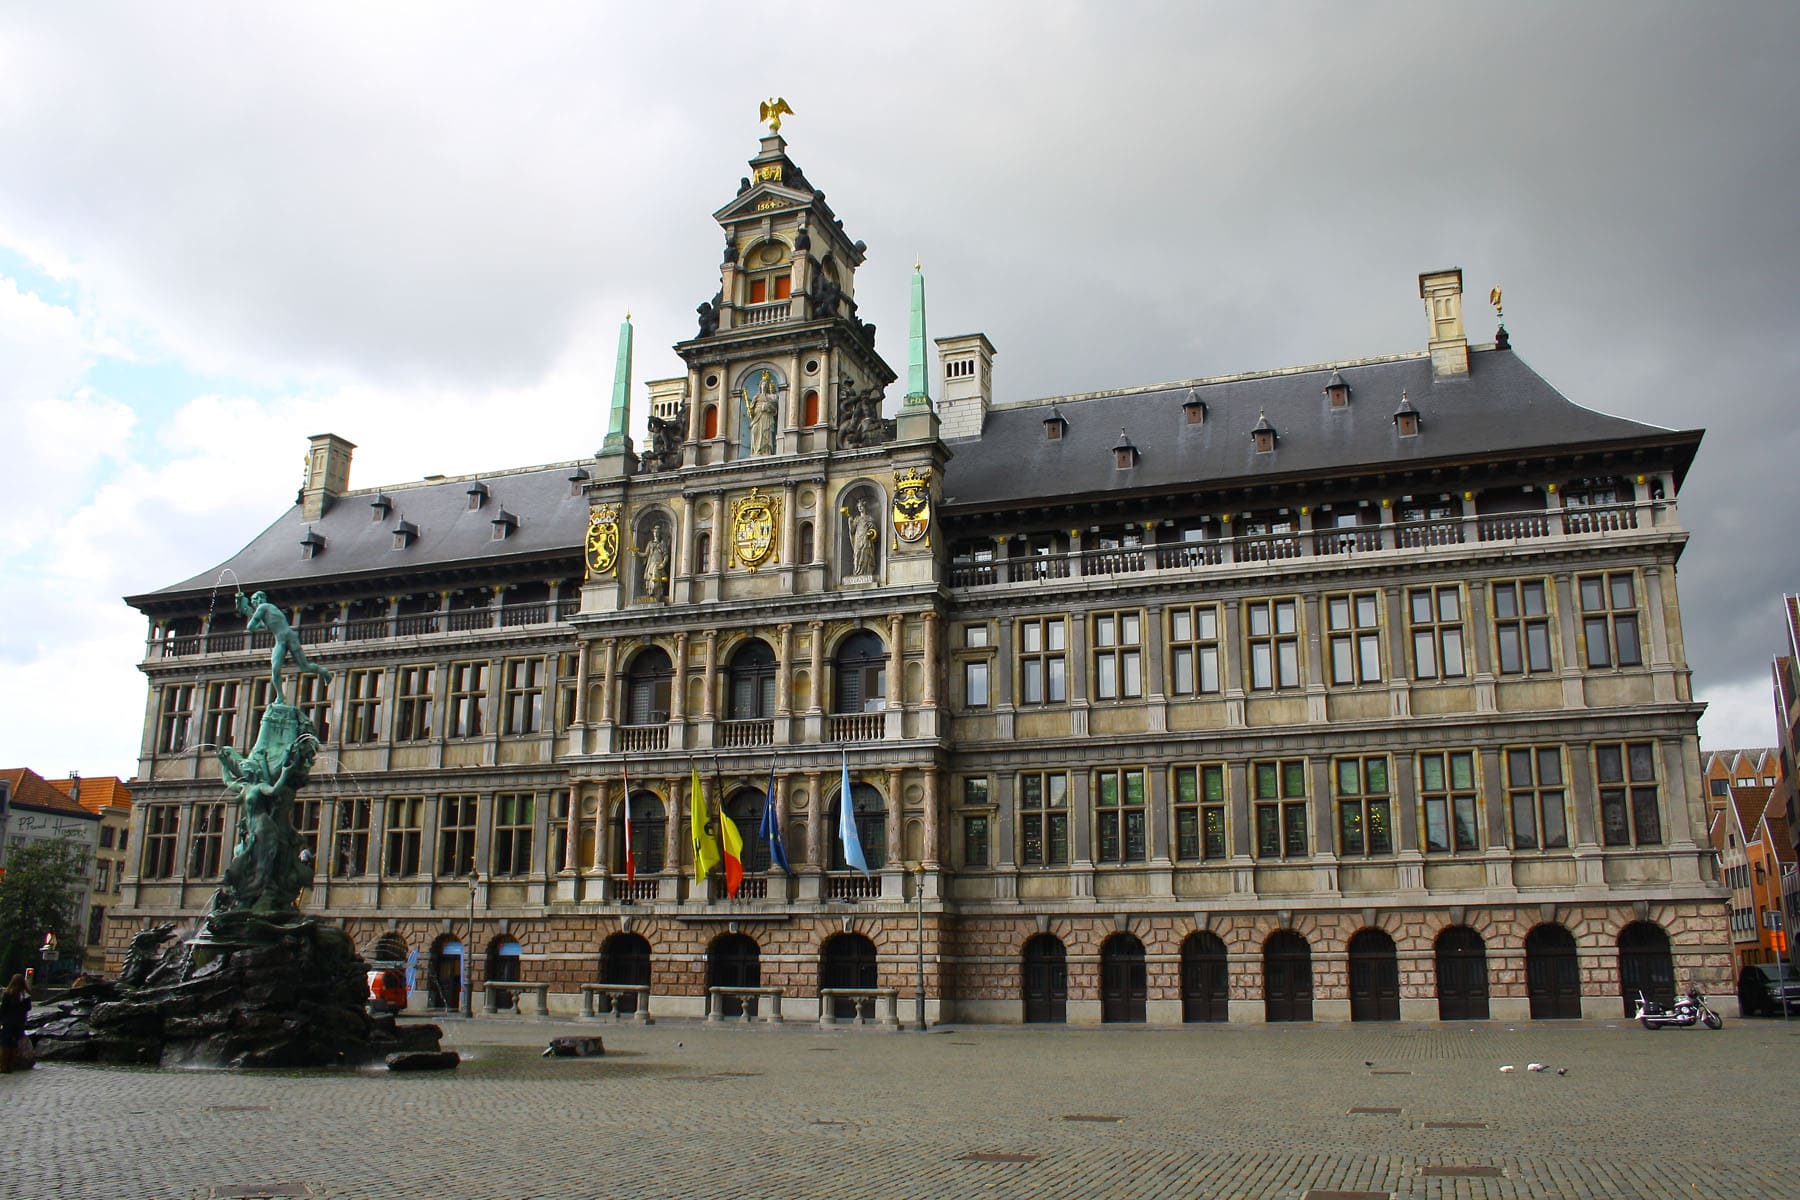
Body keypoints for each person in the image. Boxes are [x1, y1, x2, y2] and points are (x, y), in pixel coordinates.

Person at [235, 590, 333, 705]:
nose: (256, 603)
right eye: (254, 601)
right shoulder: (268, 611)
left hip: (289, 638)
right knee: (275, 670)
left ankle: (324, 672)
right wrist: (247, 610)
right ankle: (280, 696)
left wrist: (245, 608)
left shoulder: (264, 607)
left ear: (260, 600)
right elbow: (262, 624)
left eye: (255, 600)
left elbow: (251, 626)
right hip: (281, 641)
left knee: (304, 667)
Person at [0, 975, 31, 1073]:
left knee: (5, 1044)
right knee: (14, 1044)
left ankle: (3, 1065)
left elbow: (3, 1009)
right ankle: (10, 1066)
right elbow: (28, 1008)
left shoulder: (8, 994)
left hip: (8, 1022)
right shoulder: (25, 995)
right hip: (19, 1023)